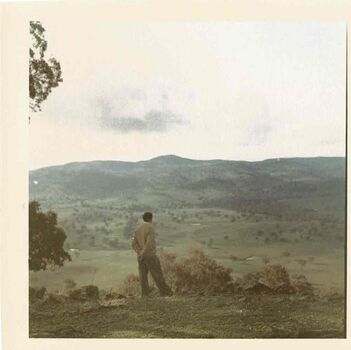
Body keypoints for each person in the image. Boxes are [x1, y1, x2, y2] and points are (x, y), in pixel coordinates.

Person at [131, 212, 173, 297]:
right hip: (150, 255)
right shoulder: (150, 227)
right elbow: (149, 243)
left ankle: (145, 294)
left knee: (143, 276)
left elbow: (133, 243)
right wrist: (143, 252)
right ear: (151, 218)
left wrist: (139, 252)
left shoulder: (138, 228)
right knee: (157, 274)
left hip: (140, 257)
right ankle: (165, 292)